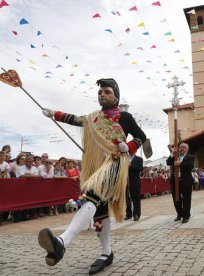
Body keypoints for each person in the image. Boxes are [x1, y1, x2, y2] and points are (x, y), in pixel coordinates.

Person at [37, 78, 146, 275]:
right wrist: (54, 114)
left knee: (91, 195)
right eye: (100, 92)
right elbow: (76, 119)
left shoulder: (125, 116)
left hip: (115, 163)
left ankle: (61, 242)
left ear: (116, 96)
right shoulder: (93, 117)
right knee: (99, 211)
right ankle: (106, 253)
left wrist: (129, 146)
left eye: (106, 92)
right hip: (97, 166)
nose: (102, 95)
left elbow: (141, 136)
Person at [166, 143, 194, 223]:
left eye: (184, 147)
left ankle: (186, 215)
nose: (182, 148)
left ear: (187, 149)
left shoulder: (190, 157)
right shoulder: (175, 157)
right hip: (175, 181)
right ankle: (179, 214)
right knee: (176, 199)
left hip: (186, 181)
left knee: (186, 199)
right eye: (180, 147)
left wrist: (180, 164)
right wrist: (172, 154)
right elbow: (168, 162)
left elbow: (190, 165)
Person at [125, 153, 143, 221]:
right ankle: (128, 214)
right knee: (127, 199)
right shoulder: (125, 159)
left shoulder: (139, 159)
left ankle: (136, 214)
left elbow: (140, 168)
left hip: (135, 182)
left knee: (136, 199)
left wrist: (130, 165)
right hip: (126, 182)